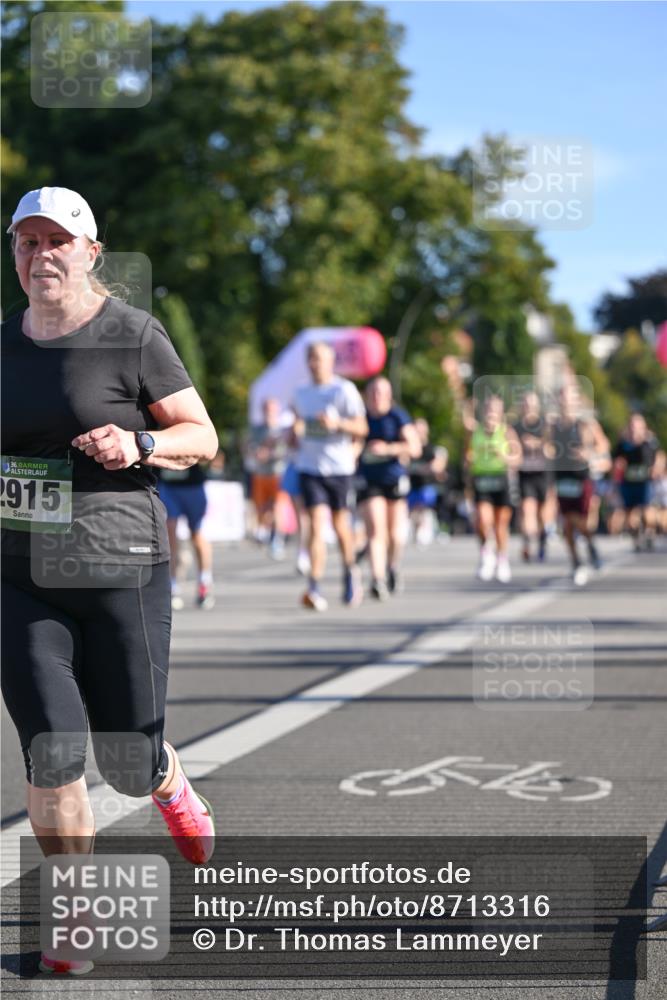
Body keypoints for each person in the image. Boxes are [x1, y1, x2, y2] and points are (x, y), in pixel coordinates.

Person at [1, 187, 218, 974]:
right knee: (51, 752)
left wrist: (139, 444)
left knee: (125, 753)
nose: (38, 254)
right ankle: (74, 917)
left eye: (55, 241)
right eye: (25, 241)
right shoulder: (2, 343)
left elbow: (203, 435)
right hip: (20, 579)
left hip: (119, 569)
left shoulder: (133, 335)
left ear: (92, 253)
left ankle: (163, 778)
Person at [291, 341, 368, 611]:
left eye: (320, 359)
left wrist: (337, 424)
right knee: (315, 523)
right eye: (311, 358)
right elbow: (297, 423)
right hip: (310, 467)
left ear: (331, 362)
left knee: (341, 526)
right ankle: (314, 585)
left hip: (339, 469)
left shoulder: (343, 390)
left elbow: (362, 427)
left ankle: (350, 571)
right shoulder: (300, 392)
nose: (315, 363)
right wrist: (296, 430)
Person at [357, 378, 421, 599]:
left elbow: (415, 448)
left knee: (395, 535)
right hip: (368, 480)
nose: (377, 396)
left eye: (382, 392)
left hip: (393, 479)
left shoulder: (397, 416)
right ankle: (377, 578)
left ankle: (392, 567)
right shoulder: (360, 416)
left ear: (389, 394)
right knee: (376, 529)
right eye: (373, 391)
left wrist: (388, 449)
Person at [548, 383, 610, 585]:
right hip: (561, 478)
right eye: (562, 398)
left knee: (580, 522)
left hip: (580, 478)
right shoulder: (552, 425)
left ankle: (591, 544)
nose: (565, 402)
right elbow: (546, 447)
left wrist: (589, 453)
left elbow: (603, 444)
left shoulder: (585, 424)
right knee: (566, 525)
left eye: (569, 398)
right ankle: (577, 562)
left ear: (575, 401)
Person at [466, 396, 521, 583]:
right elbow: (467, 454)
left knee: (500, 525)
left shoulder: (507, 432)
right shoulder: (475, 431)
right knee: (483, 519)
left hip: (501, 480)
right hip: (481, 479)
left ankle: (502, 560)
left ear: (501, 412)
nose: (491, 412)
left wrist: (504, 456)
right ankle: (485, 554)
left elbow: (517, 458)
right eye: (488, 408)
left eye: (495, 409)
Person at [158, 462, 215, 609]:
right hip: (168, 487)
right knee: (169, 533)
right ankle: (173, 586)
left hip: (193, 486)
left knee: (196, 535)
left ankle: (204, 583)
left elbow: (206, 454)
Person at [244, 397, 289, 559]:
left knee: (277, 507)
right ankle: (267, 533)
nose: (269, 413)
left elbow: (285, 451)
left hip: (278, 474)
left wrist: (269, 454)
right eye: (266, 409)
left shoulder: (282, 430)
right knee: (262, 509)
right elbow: (248, 446)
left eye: (272, 409)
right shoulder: (257, 430)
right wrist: (256, 452)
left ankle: (277, 540)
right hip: (260, 474)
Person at [612, 413, 664, 551]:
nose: (634, 429)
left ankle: (649, 533)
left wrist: (657, 469)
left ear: (643, 427)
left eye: (637, 426)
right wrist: (617, 470)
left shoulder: (650, 442)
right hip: (628, 483)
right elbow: (615, 460)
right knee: (629, 516)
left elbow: (659, 456)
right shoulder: (623, 444)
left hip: (645, 483)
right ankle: (636, 538)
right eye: (632, 426)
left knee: (647, 512)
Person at [512, 390, 553, 562]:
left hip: (543, 474)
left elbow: (553, 450)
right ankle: (527, 542)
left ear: (537, 406)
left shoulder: (545, 425)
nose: (528, 407)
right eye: (525, 404)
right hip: (525, 473)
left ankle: (542, 541)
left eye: (532, 404)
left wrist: (537, 444)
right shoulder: (515, 427)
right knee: (527, 509)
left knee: (543, 515)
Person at [408, 418, 448, 547]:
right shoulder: (408, 449)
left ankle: (426, 525)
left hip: (426, 488)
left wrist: (427, 468)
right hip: (410, 489)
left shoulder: (432, 449)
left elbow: (438, 466)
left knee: (425, 498)